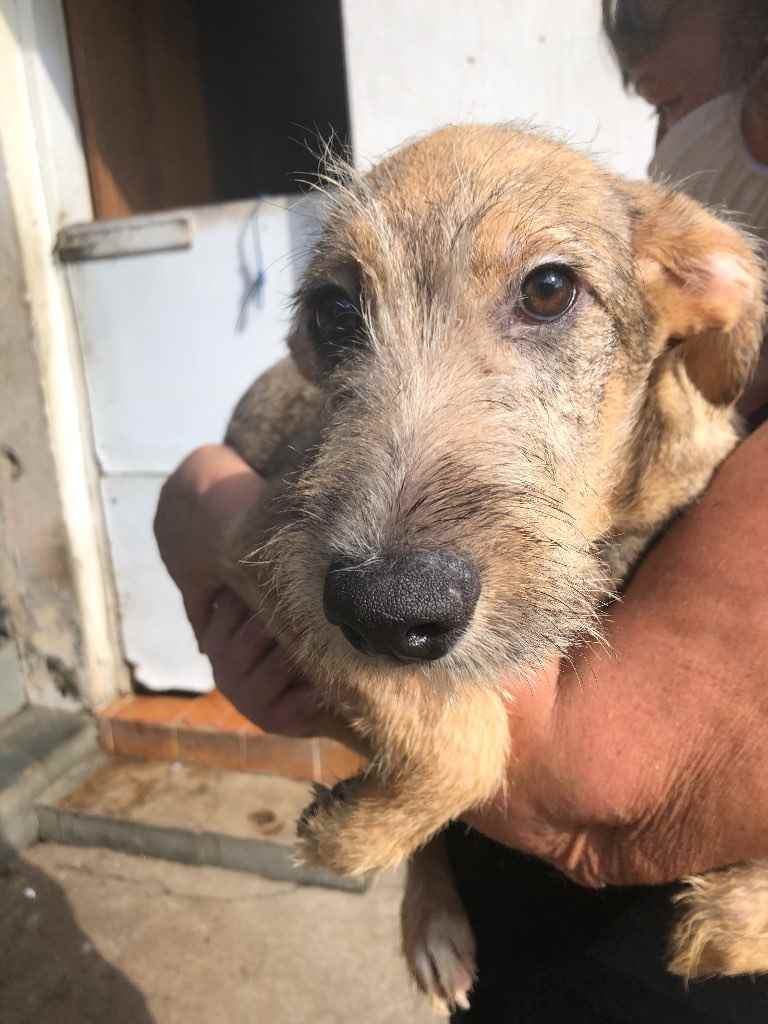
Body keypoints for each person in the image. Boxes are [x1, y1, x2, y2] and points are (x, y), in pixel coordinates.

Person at [155, 4, 768, 1019]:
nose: (678, 128)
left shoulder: (703, 396)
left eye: (545, 293)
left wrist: (207, 515)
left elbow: (586, 783)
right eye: (344, 312)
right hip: (521, 921)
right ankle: (432, 868)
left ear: (696, 296)